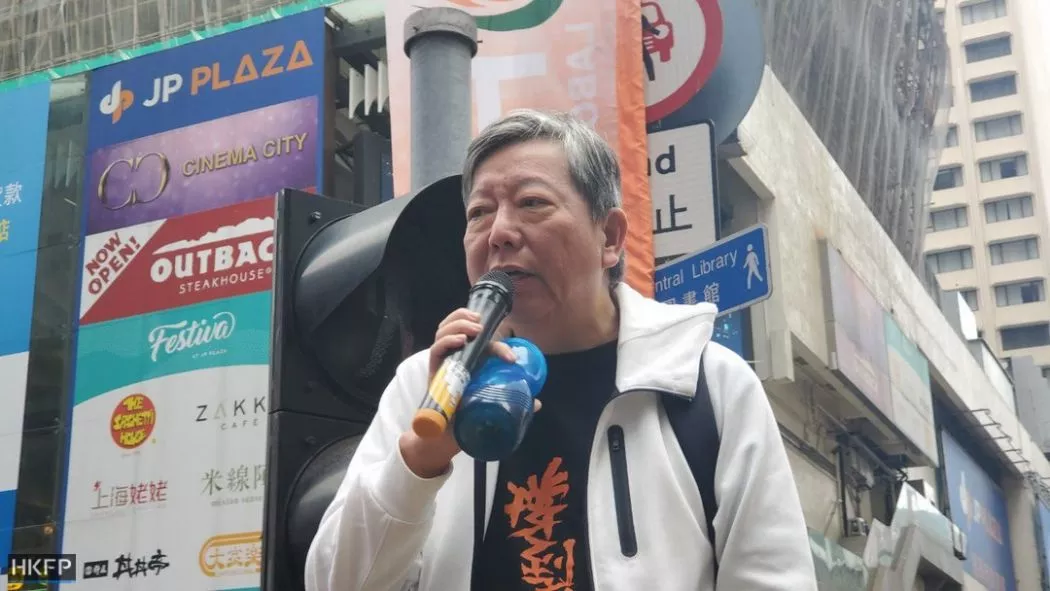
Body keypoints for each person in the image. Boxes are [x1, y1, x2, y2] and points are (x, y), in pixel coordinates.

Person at [304, 109, 818, 591]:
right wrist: (421, 460)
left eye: (532, 203)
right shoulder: (427, 385)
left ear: (609, 237)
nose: (499, 233)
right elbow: (335, 582)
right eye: (479, 213)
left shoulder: (705, 384)